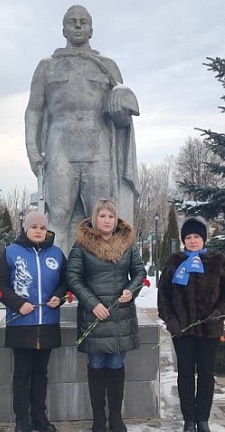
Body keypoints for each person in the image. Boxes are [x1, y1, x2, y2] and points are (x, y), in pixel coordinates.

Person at [25, 4, 140, 254]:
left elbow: (121, 118)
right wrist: (33, 152)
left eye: (83, 22)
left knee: (101, 219)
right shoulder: (48, 66)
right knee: (59, 217)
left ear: (91, 30)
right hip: (60, 148)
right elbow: (34, 111)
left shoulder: (107, 66)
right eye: (72, 21)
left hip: (99, 151)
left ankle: (100, 281)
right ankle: (58, 282)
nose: (78, 25)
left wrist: (123, 110)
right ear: (63, 29)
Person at [66, 198, 147, 432]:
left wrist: (131, 290)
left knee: (116, 366)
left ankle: (116, 417)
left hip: (121, 316)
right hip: (95, 317)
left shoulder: (128, 244)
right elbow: (73, 278)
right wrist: (92, 304)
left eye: (110, 216)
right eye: (102, 216)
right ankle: (98, 419)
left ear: (116, 219)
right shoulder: (82, 246)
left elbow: (139, 272)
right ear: (94, 218)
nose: (106, 220)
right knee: (97, 366)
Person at [156, 216, 225, 432]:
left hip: (209, 330)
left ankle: (203, 419)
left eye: (197, 236)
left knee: (206, 375)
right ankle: (188, 419)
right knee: (185, 375)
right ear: (183, 240)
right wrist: (170, 319)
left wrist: (218, 313)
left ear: (204, 239)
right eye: (188, 237)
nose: (192, 241)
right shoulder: (175, 261)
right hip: (182, 330)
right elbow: (163, 294)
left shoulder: (217, 261)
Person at [0, 211, 67, 432]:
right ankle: (21, 420)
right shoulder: (11, 252)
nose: (38, 231)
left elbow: (66, 281)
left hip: (47, 322)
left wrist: (59, 296)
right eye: (33, 227)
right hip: (21, 322)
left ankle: (39, 417)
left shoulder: (56, 253)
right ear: (25, 229)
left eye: (42, 228)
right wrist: (18, 304)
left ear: (47, 231)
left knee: (41, 373)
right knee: (22, 373)